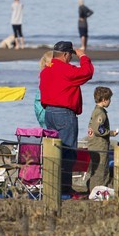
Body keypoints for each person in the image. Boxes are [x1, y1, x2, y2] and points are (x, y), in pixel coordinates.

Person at [38, 40, 95, 195]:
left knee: (54, 150)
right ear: (65, 54)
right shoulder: (66, 70)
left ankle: (54, 184)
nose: (71, 58)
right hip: (63, 113)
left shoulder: (45, 71)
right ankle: (64, 187)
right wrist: (83, 56)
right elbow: (87, 72)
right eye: (70, 55)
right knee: (68, 151)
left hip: (49, 112)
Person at [84, 86, 115, 191]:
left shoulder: (96, 111)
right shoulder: (100, 113)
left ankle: (93, 188)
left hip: (93, 144)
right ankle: (98, 190)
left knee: (95, 168)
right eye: (109, 99)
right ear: (104, 100)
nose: (110, 101)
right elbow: (98, 129)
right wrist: (110, 133)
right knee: (101, 169)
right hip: (99, 145)